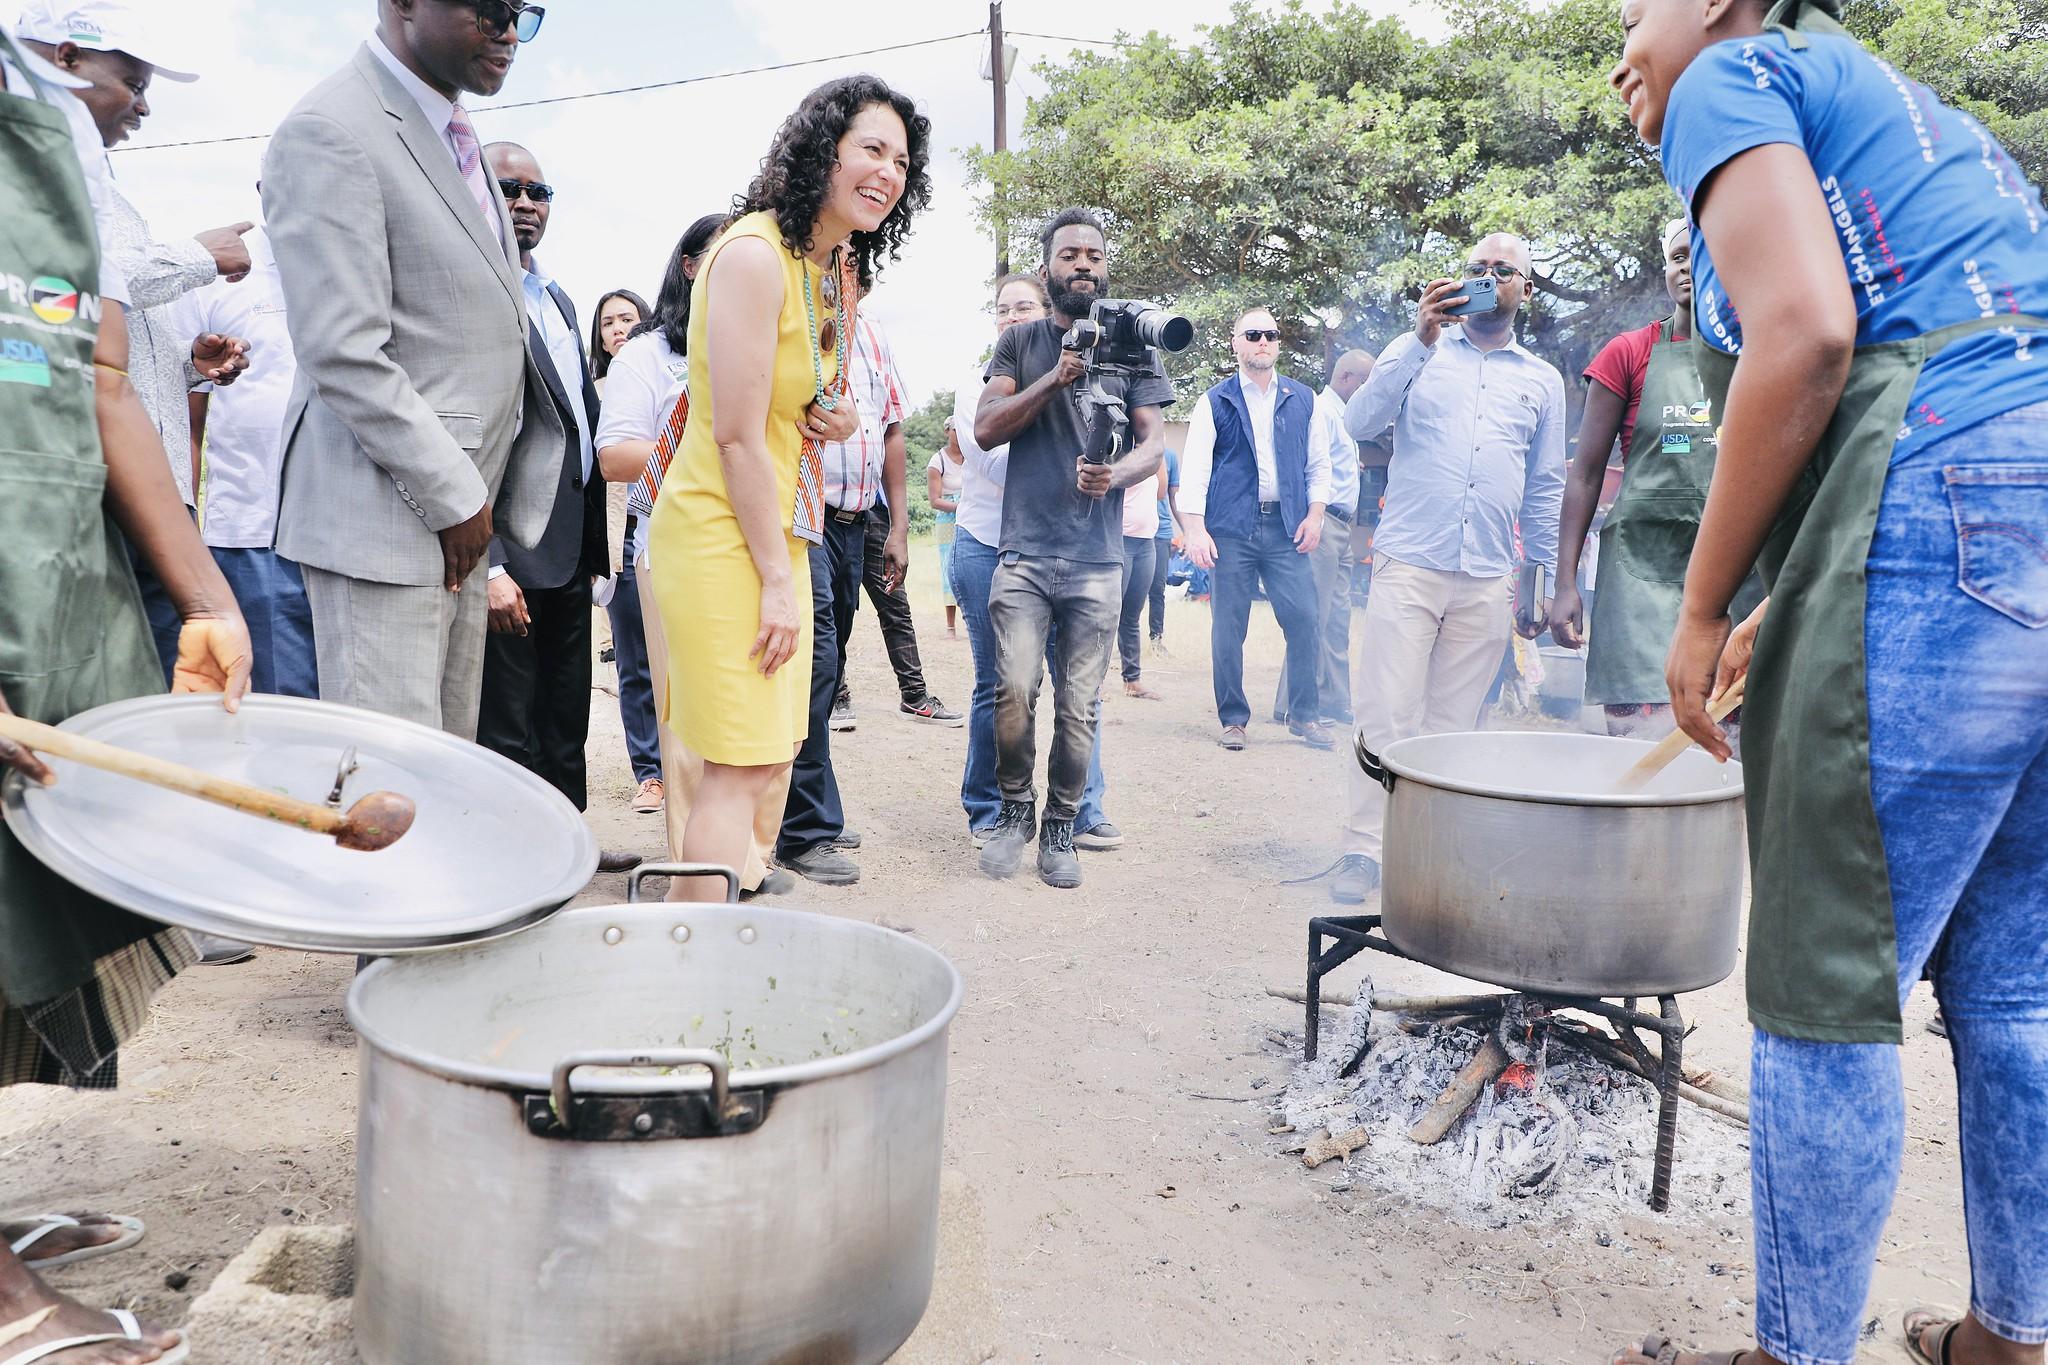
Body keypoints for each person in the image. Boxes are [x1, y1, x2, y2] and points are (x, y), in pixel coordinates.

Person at [1609, 1, 2048, 1363]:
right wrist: (1794, 592)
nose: (1622, 39)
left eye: (1634, 5)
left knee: (1826, 984)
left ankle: (1797, 1353)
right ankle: (2012, 1330)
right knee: (2018, 980)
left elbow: (1804, 341)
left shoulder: (1734, 74)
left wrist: (1697, 607)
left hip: (1943, 497)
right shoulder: (1925, 118)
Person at [1, 24, 252, 1359]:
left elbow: (86, 366)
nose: (137, 101)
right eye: (128, 72)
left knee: (24, 899)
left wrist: (205, 596)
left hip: (44, 567)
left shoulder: (36, 123)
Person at [650, 75, 928, 904]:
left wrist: (831, 416)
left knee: (769, 756)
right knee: (736, 763)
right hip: (719, 533)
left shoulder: (827, 266)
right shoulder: (751, 254)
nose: (888, 172)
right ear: (824, 151)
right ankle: (682, 966)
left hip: (778, 529)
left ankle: (693, 948)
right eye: (871, 149)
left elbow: (786, 398)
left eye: (902, 160)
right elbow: (732, 433)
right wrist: (778, 578)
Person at [262, 0, 563, 740]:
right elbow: (344, 351)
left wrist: (475, 508)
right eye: (488, 9)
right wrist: (456, 496)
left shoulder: (454, 136)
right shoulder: (332, 130)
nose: (506, 31)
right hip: (387, 519)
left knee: (442, 769)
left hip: (457, 522)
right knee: (387, 784)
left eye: (521, 14)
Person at [18, 1, 254, 683]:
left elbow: (93, 338)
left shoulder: (97, 185)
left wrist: (187, 363)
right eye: (136, 85)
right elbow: (63, 310)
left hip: (147, 488)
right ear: (67, 59)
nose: (143, 109)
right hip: (81, 497)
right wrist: (197, 256)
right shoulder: (27, 176)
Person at [1331, 232, 1565, 903]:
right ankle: (1365, 848)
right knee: (1385, 712)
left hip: (1490, 572)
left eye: (1505, 270)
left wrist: (1539, 581)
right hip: (1410, 561)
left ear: (1527, 288)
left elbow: (1545, 484)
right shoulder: (1417, 351)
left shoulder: (1542, 381)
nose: (1490, 278)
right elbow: (1358, 421)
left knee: (1453, 726)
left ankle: (1427, 853)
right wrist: (1418, 340)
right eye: (1478, 268)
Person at [598, 219, 792, 897]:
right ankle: (696, 871)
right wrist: (709, 452)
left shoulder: (760, 337)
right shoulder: (647, 357)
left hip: (765, 539)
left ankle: (750, 863)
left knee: (762, 726)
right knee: (696, 730)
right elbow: (616, 452)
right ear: (690, 269)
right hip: (684, 544)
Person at [973, 208, 1167, 888]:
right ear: (1049, 266)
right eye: (1068, 255)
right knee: (1014, 690)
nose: (1082, 263)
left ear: (1104, 266)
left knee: (1079, 707)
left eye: (1093, 254)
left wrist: (1115, 474)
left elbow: (1154, 444)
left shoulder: (1135, 347)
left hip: (1097, 560)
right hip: (1024, 553)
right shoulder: (1021, 342)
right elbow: (987, 427)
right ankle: (1013, 812)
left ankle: (1061, 827)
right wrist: (1054, 378)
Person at [472, 143, 638, 874]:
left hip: (572, 548)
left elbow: (581, 422)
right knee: (508, 717)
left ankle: (565, 846)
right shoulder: (470, 291)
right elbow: (465, 436)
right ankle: (512, 862)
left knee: (567, 710)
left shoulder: (562, 298)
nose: (526, 201)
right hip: (509, 548)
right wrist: (491, 563)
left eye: (539, 189)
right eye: (507, 187)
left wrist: (601, 550)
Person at [1549, 218, 1764, 744]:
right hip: (1640, 579)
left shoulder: (1764, 356)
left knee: (1727, 749)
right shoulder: (1628, 353)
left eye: (1705, 252)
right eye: (1678, 256)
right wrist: (1564, 582)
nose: (1688, 266)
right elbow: (1585, 475)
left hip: (1740, 581)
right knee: (1642, 749)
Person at [950, 273, 1117, 851]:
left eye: (1024, 306)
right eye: (1002, 308)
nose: (1012, 315)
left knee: (1078, 692)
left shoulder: (1088, 360)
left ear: (1047, 309)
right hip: (986, 542)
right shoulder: (980, 382)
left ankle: (1081, 811)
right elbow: (993, 455)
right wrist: (1044, 405)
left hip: (1065, 545)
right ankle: (990, 807)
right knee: (1000, 684)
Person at [171, 206, 319, 702]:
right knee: (279, 710)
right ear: (266, 187)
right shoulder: (217, 277)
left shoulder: (368, 263)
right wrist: (186, 546)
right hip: (255, 539)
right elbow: (185, 425)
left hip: (357, 538)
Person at [1180, 307, 1335, 751]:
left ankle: (1304, 716)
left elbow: (1319, 466)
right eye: (1252, 335)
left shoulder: (1305, 399)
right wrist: (1194, 529)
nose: (1262, 341)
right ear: (1236, 343)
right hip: (1231, 530)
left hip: (1287, 528)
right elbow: (1195, 471)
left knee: (1305, 618)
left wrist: (1316, 514)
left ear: (1278, 342)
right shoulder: (1215, 401)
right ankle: (1233, 719)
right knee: (1229, 627)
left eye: (1270, 333)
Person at [826, 314, 962, 738]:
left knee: (894, 603)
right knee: (832, 608)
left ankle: (914, 693)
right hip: (820, 508)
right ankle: (835, 694)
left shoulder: (874, 333)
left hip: (873, 509)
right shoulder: (805, 320)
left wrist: (899, 527)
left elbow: (891, 430)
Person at [584, 286, 662, 812]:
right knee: (635, 662)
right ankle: (651, 773)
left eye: (627, 318)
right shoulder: (589, 389)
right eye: (608, 321)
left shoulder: (669, 374)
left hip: (674, 530)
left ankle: (693, 766)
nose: (617, 328)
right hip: (620, 539)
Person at [1277, 348, 1374, 727]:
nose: (1369, 392)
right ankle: (1293, 703)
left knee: (1337, 618)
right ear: (1347, 377)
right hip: (1322, 523)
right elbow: (1306, 467)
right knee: (1311, 616)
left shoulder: (1344, 417)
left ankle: (1333, 699)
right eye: (1366, 384)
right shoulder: (1320, 409)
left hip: (1343, 527)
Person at [1115, 453, 1170, 698]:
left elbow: (1160, 492)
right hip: (1120, 541)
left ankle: (1132, 680)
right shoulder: (1123, 451)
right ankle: (1091, 684)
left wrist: (1158, 452)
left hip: (1146, 544)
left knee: (1131, 616)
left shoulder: (1153, 453)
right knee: (1107, 616)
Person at [928, 417, 963, 638]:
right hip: (948, 519)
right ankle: (951, 625)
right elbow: (935, 501)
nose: (959, 434)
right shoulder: (937, 460)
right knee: (948, 567)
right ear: (946, 432)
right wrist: (961, 507)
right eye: (954, 430)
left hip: (972, 516)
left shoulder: (973, 456)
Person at [1146, 445, 1184, 648]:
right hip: (1132, 532)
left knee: (1157, 589)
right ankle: (1125, 643)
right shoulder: (1128, 451)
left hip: (1161, 532)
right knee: (1124, 592)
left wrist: (1187, 529)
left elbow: (1173, 497)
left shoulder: (1169, 456)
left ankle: (1156, 641)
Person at [589, 288, 646, 393]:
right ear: (603, 343)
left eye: (626, 320)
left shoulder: (670, 377)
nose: (617, 329)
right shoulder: (594, 394)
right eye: (608, 323)